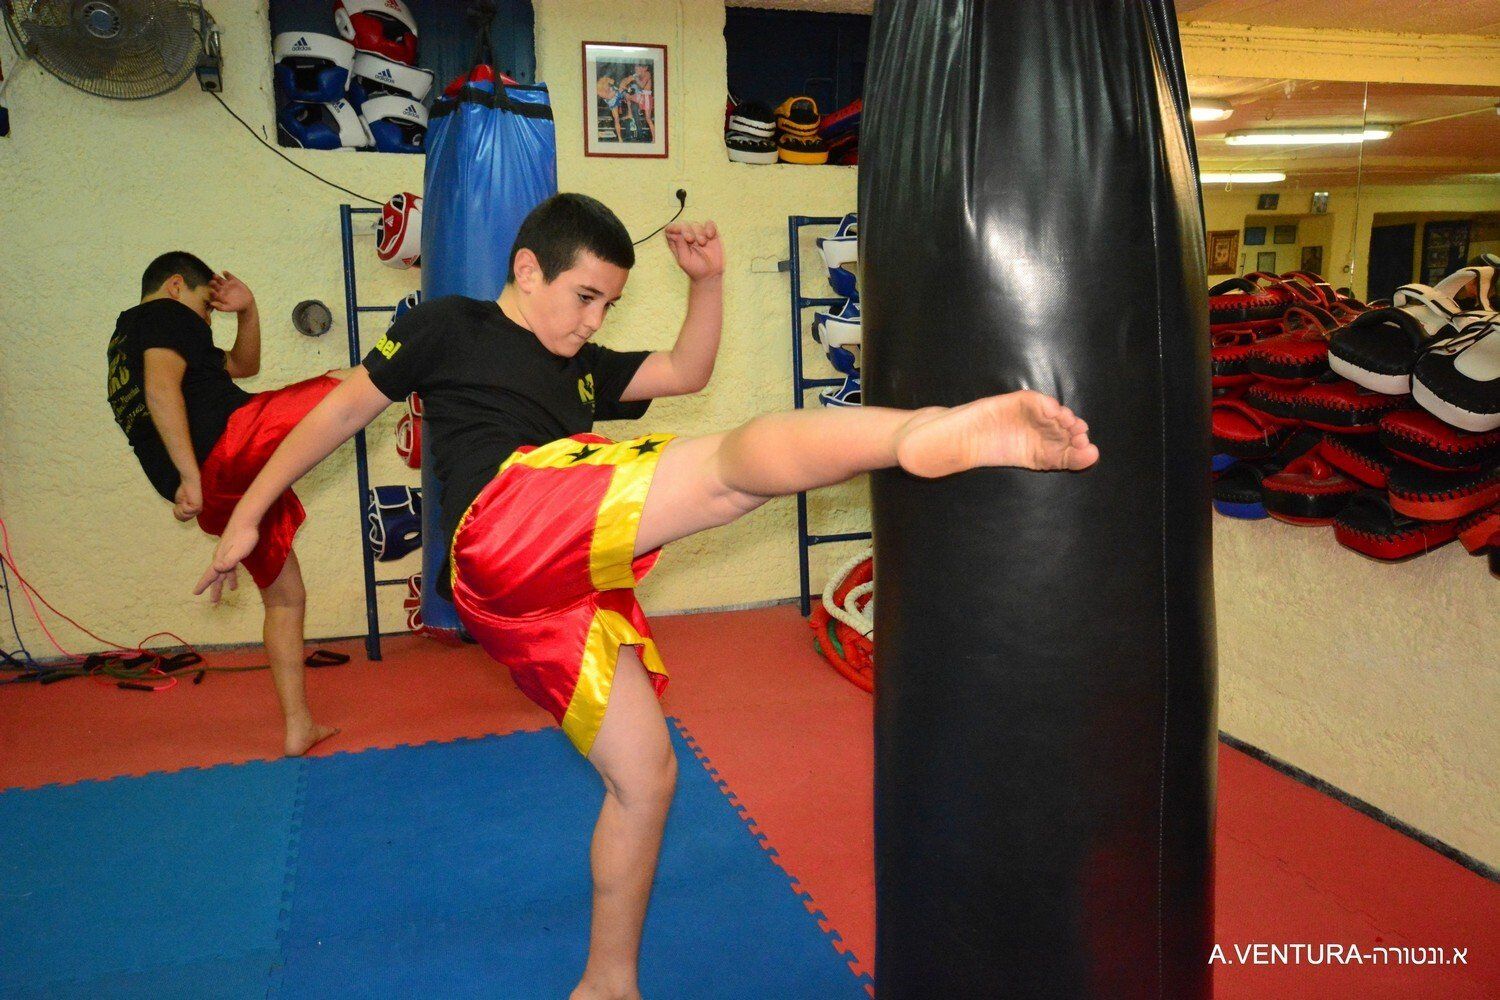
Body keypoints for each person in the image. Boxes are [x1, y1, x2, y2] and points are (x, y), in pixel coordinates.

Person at [192, 194, 1098, 999]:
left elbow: (685, 371)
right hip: (501, 524)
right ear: (526, 270)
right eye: (584, 296)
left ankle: (607, 981)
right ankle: (917, 436)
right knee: (727, 474)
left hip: (544, 600)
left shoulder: (582, 368)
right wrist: (249, 513)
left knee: (645, 777)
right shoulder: (449, 326)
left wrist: (708, 283)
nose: (593, 320)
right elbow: (339, 412)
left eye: (609, 306)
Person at [106, 251, 343, 757]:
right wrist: (191, 474)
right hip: (229, 447)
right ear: (175, 286)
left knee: (286, 597)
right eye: (205, 307)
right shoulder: (162, 314)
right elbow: (161, 389)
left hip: (221, 496)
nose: (207, 319)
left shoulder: (127, 342)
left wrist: (248, 311)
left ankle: (298, 726)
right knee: (349, 384)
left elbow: (243, 366)